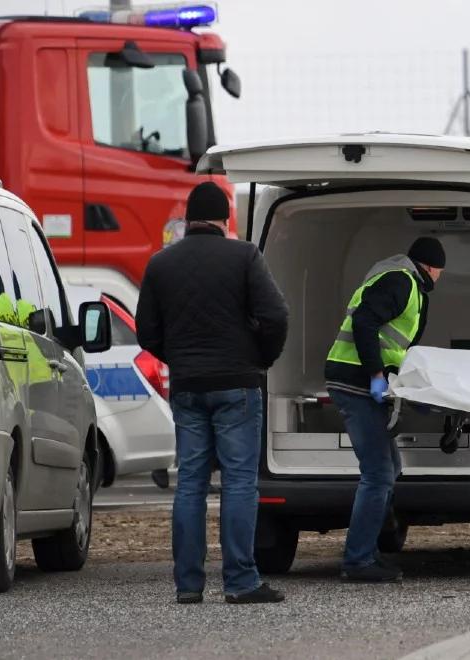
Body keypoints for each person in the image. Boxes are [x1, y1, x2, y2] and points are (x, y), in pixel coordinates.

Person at [136, 181, 290, 605]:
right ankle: (240, 582)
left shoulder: (161, 263)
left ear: (188, 220)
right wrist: (261, 358)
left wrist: (180, 357)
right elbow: (276, 314)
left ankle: (188, 584)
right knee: (239, 483)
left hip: (187, 386)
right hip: (237, 384)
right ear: (224, 220)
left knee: (190, 484)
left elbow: (147, 331)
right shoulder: (244, 257)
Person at [324, 237, 446, 583]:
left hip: (359, 380)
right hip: (355, 381)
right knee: (378, 473)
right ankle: (358, 560)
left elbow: (392, 344)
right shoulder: (402, 282)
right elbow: (364, 323)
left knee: (390, 467)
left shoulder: (402, 282)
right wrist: (377, 374)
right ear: (433, 267)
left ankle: (371, 550)